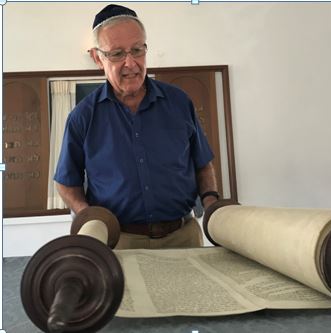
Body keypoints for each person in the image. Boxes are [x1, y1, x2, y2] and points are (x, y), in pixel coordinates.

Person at [54, 4, 219, 249]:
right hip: (120, 241)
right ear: (97, 57)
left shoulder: (179, 102)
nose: (131, 63)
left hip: (183, 237)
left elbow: (202, 164)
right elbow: (66, 183)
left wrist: (212, 205)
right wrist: (90, 217)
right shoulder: (83, 116)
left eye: (137, 50)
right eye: (117, 53)